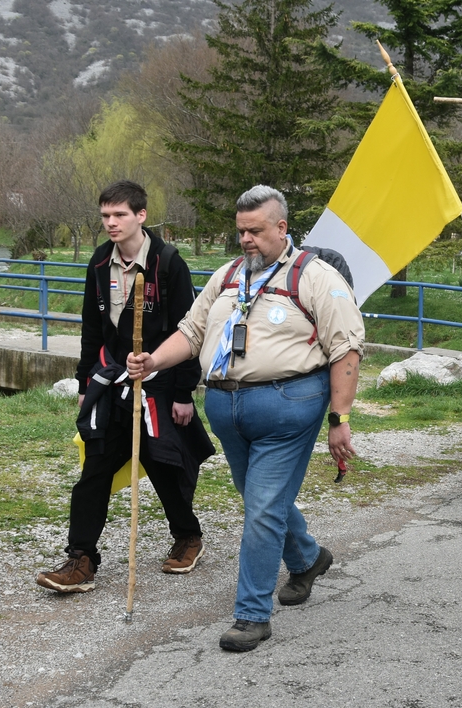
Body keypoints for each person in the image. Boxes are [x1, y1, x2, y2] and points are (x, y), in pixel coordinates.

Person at [126, 185, 365, 653]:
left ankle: (252, 615)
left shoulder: (316, 278)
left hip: (289, 409)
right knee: (259, 499)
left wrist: (340, 416)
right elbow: (191, 332)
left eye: (255, 231)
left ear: (282, 228)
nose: (246, 240)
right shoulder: (228, 275)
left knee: (260, 508)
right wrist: (153, 361)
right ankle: (307, 559)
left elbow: (346, 349)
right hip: (227, 410)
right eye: (240, 232)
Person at [37, 181, 212, 595]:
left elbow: (192, 331)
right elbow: (91, 328)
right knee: (95, 466)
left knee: (163, 462)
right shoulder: (100, 262)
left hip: (161, 383)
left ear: (141, 216)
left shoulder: (168, 263)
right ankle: (81, 559)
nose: (111, 223)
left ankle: (188, 536)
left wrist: (185, 392)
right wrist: (85, 383)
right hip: (113, 382)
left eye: (119, 215)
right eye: (105, 216)